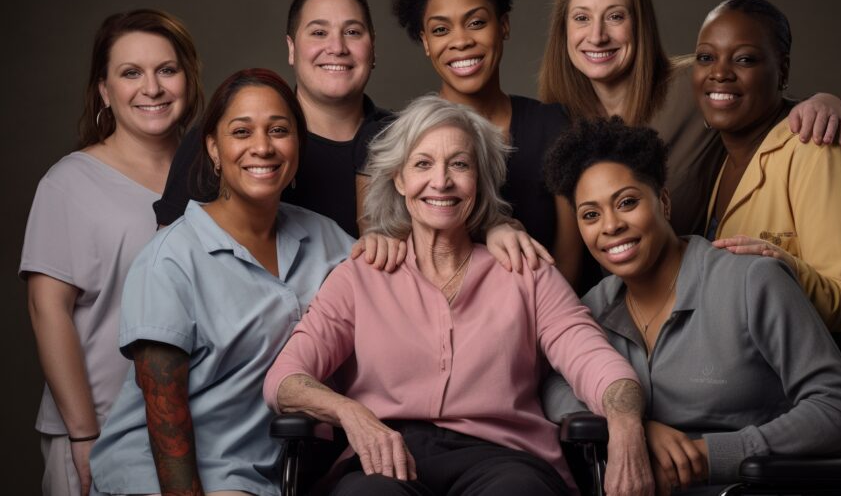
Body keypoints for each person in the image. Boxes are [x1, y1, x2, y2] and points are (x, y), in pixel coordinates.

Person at [265, 96, 655, 496]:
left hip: (503, 458)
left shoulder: (526, 271)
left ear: (480, 180)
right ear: (399, 179)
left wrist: (625, 426)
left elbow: (593, 359)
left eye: (460, 164)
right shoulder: (360, 276)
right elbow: (285, 380)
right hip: (387, 457)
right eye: (422, 164)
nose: (441, 181)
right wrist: (350, 413)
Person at [541, 117, 841, 494]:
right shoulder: (591, 308)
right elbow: (551, 386)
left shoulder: (752, 282)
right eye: (590, 215)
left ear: (662, 201)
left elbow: (838, 411)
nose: (610, 226)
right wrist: (631, 424)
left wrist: (710, 456)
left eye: (627, 202)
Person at [89, 69, 353, 496]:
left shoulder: (326, 238)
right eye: (241, 131)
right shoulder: (170, 260)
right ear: (214, 147)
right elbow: (165, 421)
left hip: (262, 477)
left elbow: (401, 282)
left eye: (280, 130)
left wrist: (492, 231)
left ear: (298, 145)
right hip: (166, 475)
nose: (263, 147)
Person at [538, 0, 841, 236]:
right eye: (582, 18)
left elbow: (771, 107)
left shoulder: (694, 84)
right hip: (601, 298)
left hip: (698, 286)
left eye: (616, 16)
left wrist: (825, 102)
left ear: (640, 23)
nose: (597, 35)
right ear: (563, 28)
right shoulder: (556, 121)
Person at [19, 9, 203, 496]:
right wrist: (84, 432)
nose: (153, 88)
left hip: (195, 431)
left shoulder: (215, 177)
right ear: (104, 90)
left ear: (188, 78)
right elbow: (47, 311)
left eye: (167, 70)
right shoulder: (69, 184)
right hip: (97, 429)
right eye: (130, 73)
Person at [381, 0, 590, 288]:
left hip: (548, 322)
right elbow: (393, 254)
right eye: (440, 29)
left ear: (503, 25)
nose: (461, 41)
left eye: (476, 22)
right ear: (425, 42)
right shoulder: (405, 138)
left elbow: (571, 258)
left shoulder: (552, 125)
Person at [694, 0, 841, 331]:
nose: (719, 72)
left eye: (744, 59)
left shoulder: (824, 157)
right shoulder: (722, 159)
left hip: (822, 380)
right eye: (706, 57)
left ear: (782, 70)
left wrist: (779, 270)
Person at [153, 0, 391, 238]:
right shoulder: (226, 139)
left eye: (352, 32)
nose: (337, 47)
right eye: (319, 33)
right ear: (291, 48)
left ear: (373, 48)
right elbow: (168, 256)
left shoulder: (406, 139)